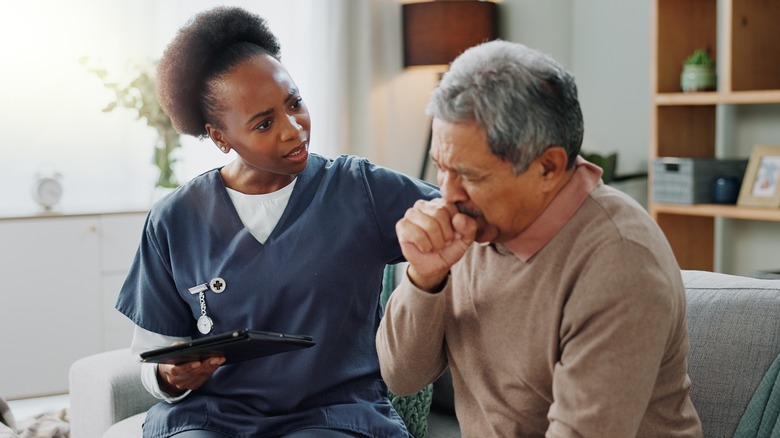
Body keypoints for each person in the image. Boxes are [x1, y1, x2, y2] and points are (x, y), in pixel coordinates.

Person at [115, 6, 438, 438]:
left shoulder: (359, 189)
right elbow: (152, 356)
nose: (293, 129)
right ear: (219, 136)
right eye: (264, 123)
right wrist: (172, 377)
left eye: (295, 103)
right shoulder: (174, 219)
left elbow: (459, 220)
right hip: (212, 419)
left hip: (336, 416)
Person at [376, 40, 704, 437]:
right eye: (441, 169)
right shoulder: (470, 227)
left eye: (471, 175)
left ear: (548, 167)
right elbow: (400, 377)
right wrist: (424, 278)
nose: (447, 194)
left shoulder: (619, 260)